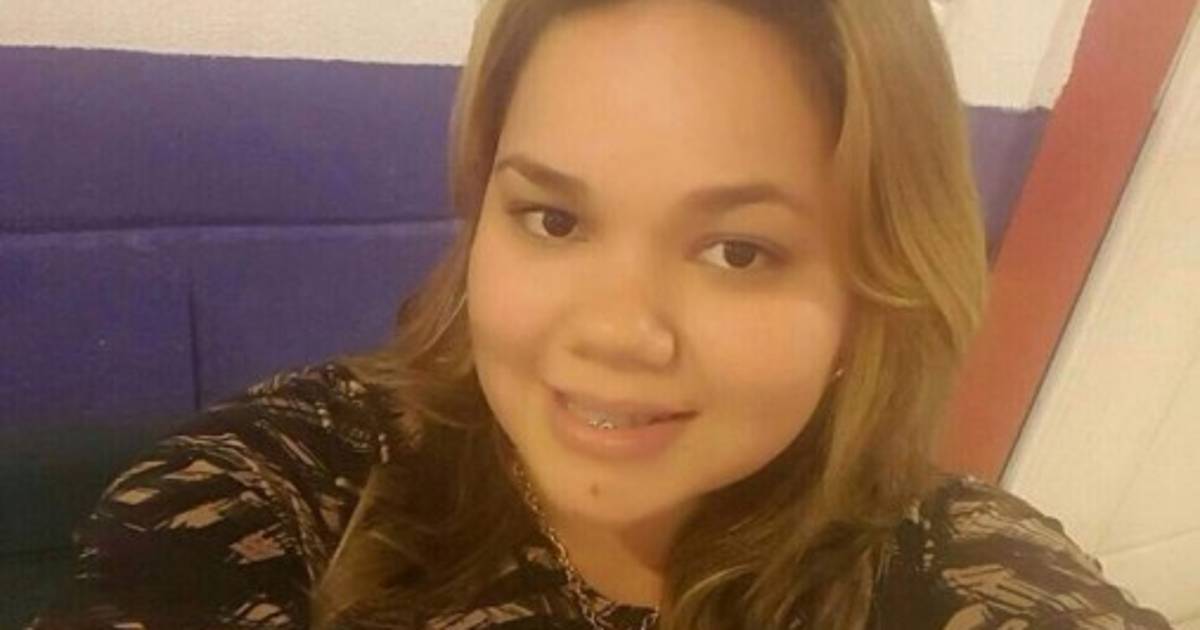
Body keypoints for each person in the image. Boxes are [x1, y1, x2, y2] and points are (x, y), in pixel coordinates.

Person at [27, 0, 1175, 628]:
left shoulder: (947, 559)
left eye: (738, 250)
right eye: (556, 219)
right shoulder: (303, 476)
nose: (619, 330)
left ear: (872, 284)